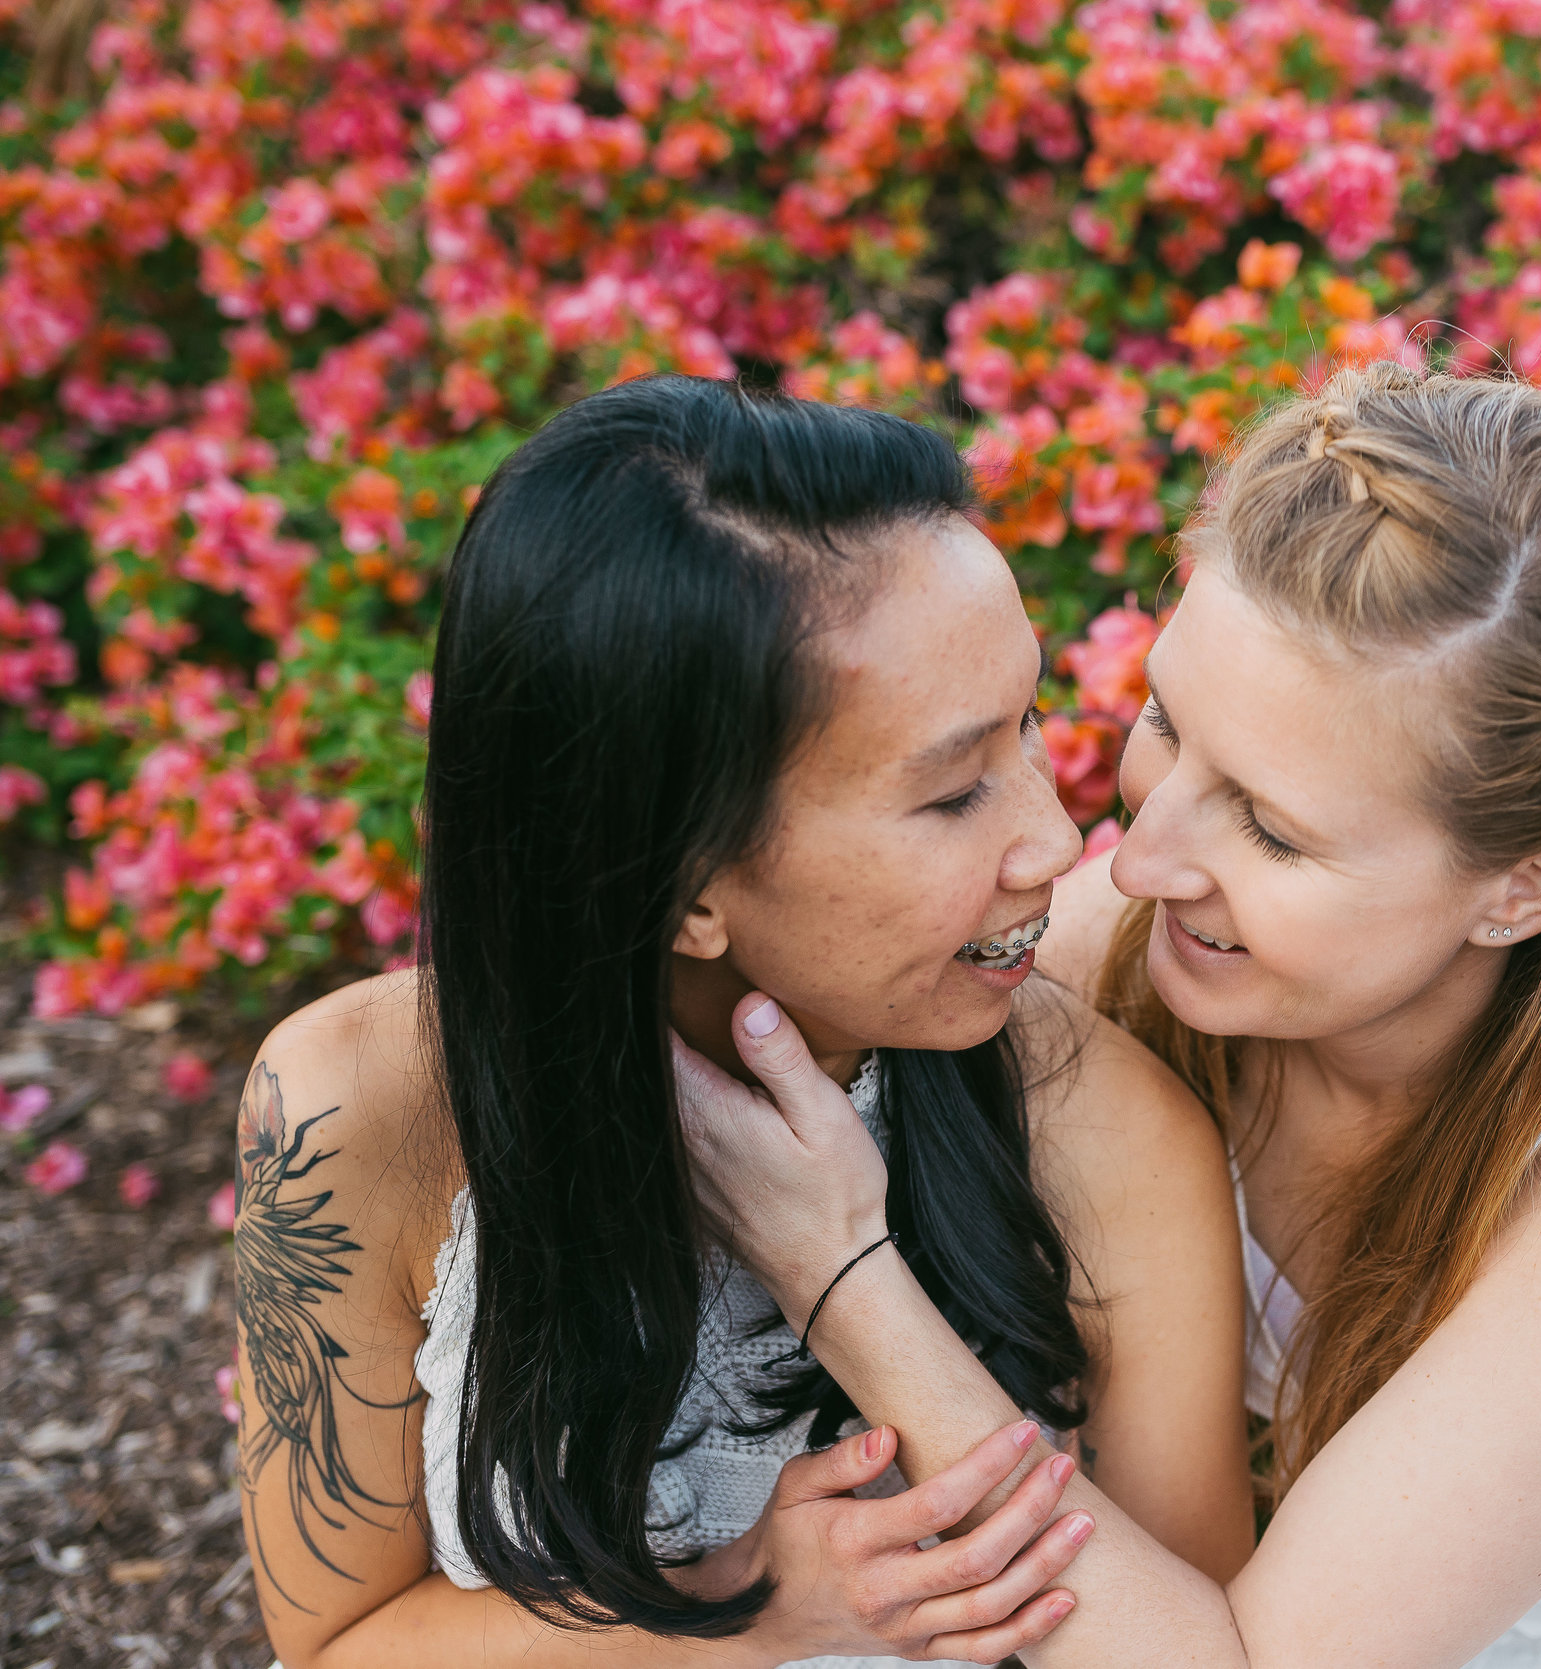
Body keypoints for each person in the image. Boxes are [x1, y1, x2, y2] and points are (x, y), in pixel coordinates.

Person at [677, 362, 1541, 1666]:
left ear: (1519, 889)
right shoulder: (1137, 942)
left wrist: (844, 1274)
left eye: (1271, 827)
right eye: (1165, 722)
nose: (1139, 862)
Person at [230, 375, 1252, 1669]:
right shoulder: (351, 1112)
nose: (1056, 837)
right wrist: (747, 1603)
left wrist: (851, 1284)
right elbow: (338, 1647)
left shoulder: (1100, 1129)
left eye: (1031, 725)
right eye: (951, 794)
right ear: (686, 882)